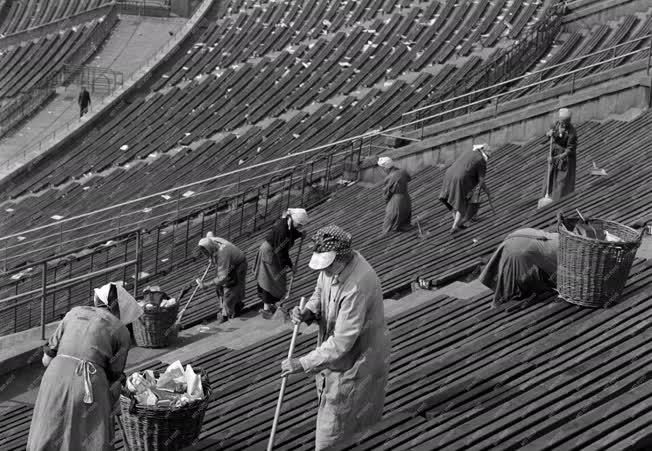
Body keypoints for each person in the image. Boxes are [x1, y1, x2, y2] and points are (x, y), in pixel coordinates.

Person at [281, 225, 390, 450]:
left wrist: (302, 363)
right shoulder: (334, 268)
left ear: (340, 258)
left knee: (333, 428)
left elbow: (342, 342)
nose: (325, 272)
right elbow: (320, 292)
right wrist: (308, 311)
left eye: (328, 267)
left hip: (357, 358)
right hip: (337, 355)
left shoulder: (357, 285)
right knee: (340, 417)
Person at [27, 282, 142, 451]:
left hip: (54, 377)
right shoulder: (121, 331)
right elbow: (114, 377)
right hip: (90, 384)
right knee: (88, 436)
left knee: (49, 428)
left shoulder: (73, 313)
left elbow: (46, 359)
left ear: (97, 300)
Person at [478, 228, 559, 307]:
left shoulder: (561, 237)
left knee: (506, 271)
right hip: (521, 250)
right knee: (513, 287)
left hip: (523, 233)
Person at [254, 208, 308, 318]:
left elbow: (292, 233)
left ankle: (272, 304)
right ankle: (267, 309)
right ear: (293, 219)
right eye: (299, 224)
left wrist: (300, 235)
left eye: (301, 225)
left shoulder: (288, 224)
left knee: (276, 279)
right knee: (269, 280)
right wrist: (291, 266)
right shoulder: (282, 230)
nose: (299, 226)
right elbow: (282, 254)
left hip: (274, 253)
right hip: (269, 254)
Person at [439, 143, 492, 233]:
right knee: (461, 202)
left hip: (449, 174)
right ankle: (455, 226)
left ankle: (458, 223)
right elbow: (481, 181)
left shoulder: (470, 151)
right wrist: (487, 191)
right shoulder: (481, 160)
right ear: (485, 153)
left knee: (452, 201)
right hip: (460, 178)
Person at [196, 232, 248, 323]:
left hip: (238, 265)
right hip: (228, 265)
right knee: (219, 288)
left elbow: (223, 278)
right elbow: (209, 234)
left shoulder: (222, 254)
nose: (204, 254)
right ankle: (233, 306)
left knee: (231, 288)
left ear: (210, 248)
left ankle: (227, 313)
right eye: (202, 252)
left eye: (205, 251)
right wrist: (211, 256)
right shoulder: (211, 241)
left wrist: (206, 285)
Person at [543, 108, 577, 201]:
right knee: (550, 176)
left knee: (561, 180)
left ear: (568, 121)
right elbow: (547, 136)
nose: (562, 124)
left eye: (565, 122)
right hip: (554, 152)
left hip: (565, 158)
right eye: (561, 121)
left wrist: (555, 158)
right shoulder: (555, 124)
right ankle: (547, 197)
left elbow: (569, 150)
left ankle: (559, 199)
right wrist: (548, 134)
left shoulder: (572, 132)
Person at [378, 156, 413, 235]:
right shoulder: (403, 171)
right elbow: (408, 178)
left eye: (382, 168)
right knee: (404, 223)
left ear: (386, 168)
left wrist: (386, 200)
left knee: (388, 228)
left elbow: (386, 194)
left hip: (396, 201)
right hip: (406, 198)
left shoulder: (389, 177)